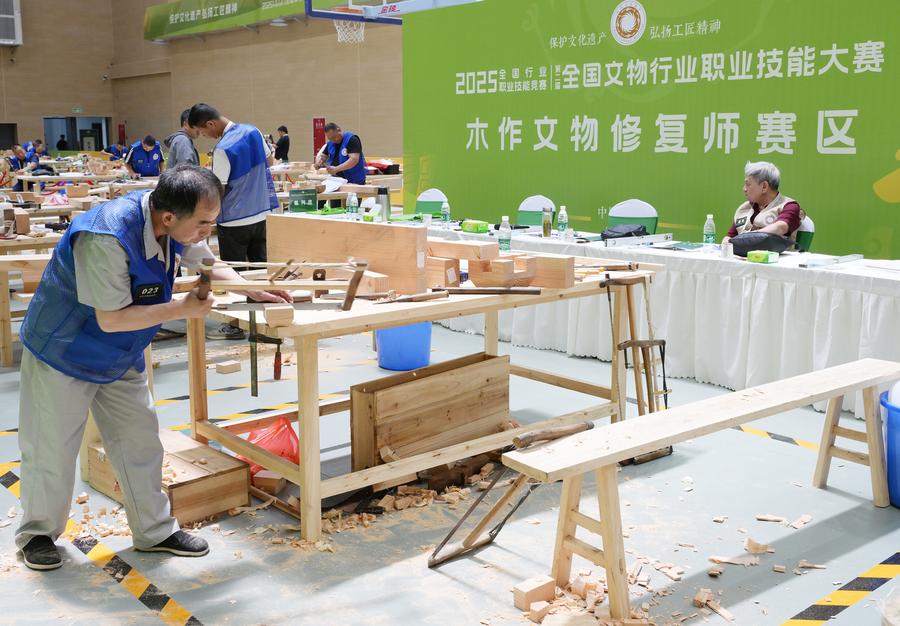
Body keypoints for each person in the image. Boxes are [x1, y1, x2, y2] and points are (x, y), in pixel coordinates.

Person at [14, 165, 292, 571]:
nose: (207, 231)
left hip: (120, 352)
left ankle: (154, 531)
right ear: (168, 217)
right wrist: (182, 308)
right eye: (203, 223)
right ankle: (37, 533)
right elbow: (111, 317)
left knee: (140, 442)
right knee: (51, 448)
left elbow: (206, 262)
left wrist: (254, 289)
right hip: (65, 350)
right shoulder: (105, 237)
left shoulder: (176, 225)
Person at [188, 103, 278, 340]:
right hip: (262, 213)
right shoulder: (254, 131)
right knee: (260, 272)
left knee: (234, 276)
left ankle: (235, 326)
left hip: (234, 220)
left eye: (203, 132)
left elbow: (217, 190)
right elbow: (270, 162)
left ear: (210, 123)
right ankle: (265, 326)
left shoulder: (222, 149)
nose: (205, 136)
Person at [722, 161, 804, 244]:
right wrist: (726, 244)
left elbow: (780, 227)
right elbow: (729, 237)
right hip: (741, 252)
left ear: (764, 186)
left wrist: (745, 238)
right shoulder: (744, 208)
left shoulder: (789, 206)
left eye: (748, 184)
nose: (744, 189)